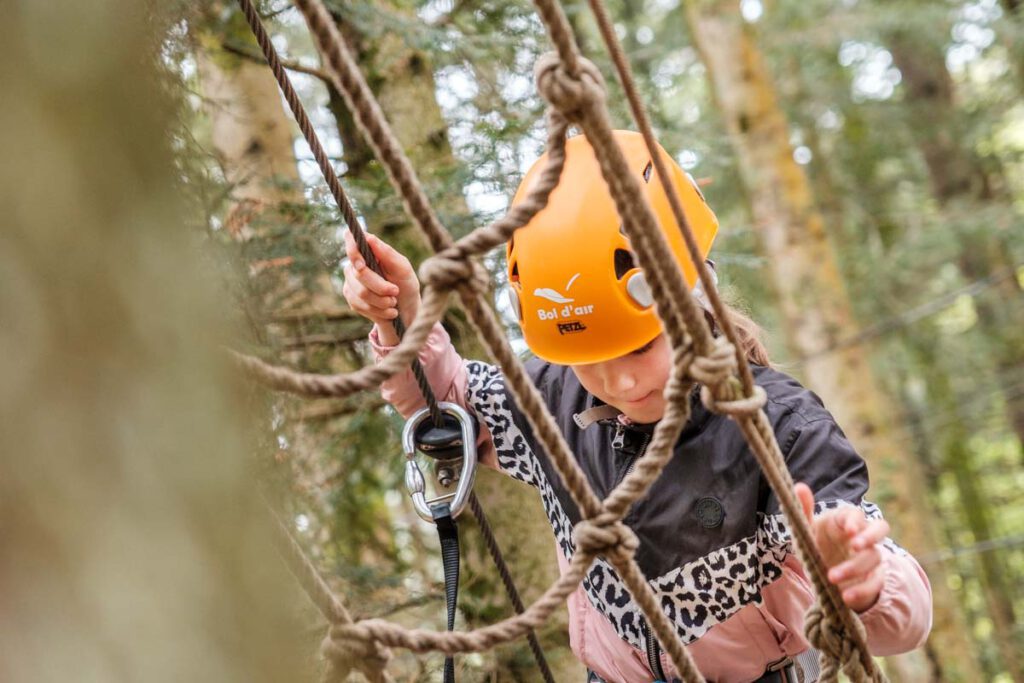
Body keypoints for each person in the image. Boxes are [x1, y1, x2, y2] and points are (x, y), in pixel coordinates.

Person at [341, 131, 932, 682]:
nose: (619, 381)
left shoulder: (777, 425)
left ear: (695, 297)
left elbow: (901, 622)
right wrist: (402, 320)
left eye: (641, 345)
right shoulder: (555, 400)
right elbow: (446, 404)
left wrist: (864, 582)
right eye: (588, 357)